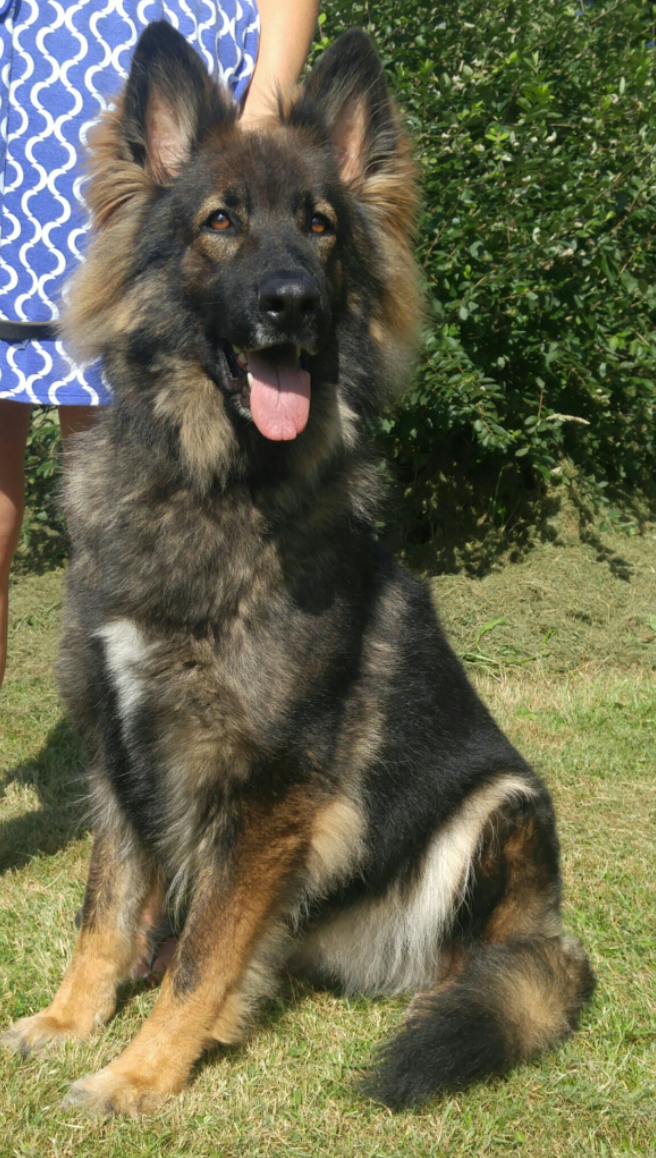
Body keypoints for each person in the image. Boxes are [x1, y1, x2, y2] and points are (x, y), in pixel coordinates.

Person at [0, 0, 320, 692]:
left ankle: (139, 748)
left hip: (200, 137)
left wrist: (262, 117)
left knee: (134, 513)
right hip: (28, 118)